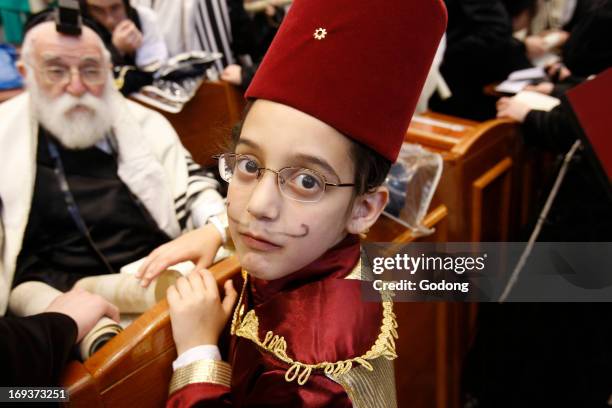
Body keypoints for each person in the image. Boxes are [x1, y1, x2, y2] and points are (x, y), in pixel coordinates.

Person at [144, 0, 446, 406]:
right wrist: (217, 228)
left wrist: (198, 353)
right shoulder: (316, 249)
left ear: (364, 209)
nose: (259, 207)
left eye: (307, 181)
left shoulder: (309, 371)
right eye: (250, 164)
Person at [0, 20, 226, 314]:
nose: (77, 86)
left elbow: (193, 183)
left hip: (159, 273)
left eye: (91, 70)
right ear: (25, 73)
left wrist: (215, 225)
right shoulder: (6, 136)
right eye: (55, 70)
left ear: (108, 72)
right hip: (62, 299)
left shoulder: (143, 123)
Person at [78, 0, 169, 94]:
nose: (110, 20)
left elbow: (155, 71)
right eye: (98, 10)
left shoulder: (144, 19)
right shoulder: (80, 27)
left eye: (115, 8)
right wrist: (116, 51)